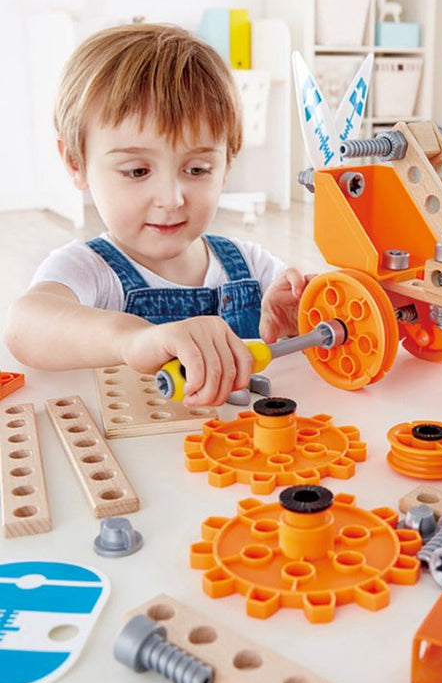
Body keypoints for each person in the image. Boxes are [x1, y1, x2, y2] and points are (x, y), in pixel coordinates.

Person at [4, 23, 309, 407]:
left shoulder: (252, 266)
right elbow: (24, 327)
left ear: (227, 162)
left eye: (196, 169)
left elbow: (317, 334)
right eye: (137, 171)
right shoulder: (88, 269)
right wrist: (132, 339)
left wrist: (305, 314)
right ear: (76, 162)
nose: (171, 199)